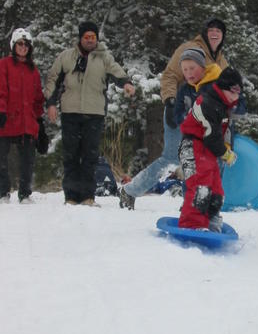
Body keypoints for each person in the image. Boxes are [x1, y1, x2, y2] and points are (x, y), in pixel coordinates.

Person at [119, 17, 229, 210]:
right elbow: (170, 74)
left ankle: (191, 204)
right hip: (180, 110)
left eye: (219, 31)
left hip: (203, 118)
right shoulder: (189, 49)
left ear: (223, 36)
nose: (214, 33)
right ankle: (130, 191)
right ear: (205, 32)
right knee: (171, 158)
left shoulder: (221, 60)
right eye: (211, 29)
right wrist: (169, 101)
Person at [45, 21, 135, 206]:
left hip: (94, 113)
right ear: (80, 38)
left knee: (90, 156)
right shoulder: (66, 57)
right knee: (70, 155)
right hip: (70, 112)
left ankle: (87, 196)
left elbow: (117, 71)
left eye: (93, 37)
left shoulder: (104, 57)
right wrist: (51, 103)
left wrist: (126, 83)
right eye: (86, 37)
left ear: (97, 38)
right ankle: (70, 196)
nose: (90, 40)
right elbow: (53, 80)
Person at [178, 67, 243, 231]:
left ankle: (210, 220)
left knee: (216, 189)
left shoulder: (222, 105)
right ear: (222, 88)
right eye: (233, 92)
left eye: (238, 93)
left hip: (207, 150)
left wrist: (225, 147)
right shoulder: (208, 103)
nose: (236, 97)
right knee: (201, 186)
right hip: (193, 146)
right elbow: (212, 136)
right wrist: (225, 153)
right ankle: (192, 224)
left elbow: (220, 134)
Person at [0, 28, 45, 203]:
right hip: (6, 119)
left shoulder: (33, 70)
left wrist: (39, 121)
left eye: (26, 44)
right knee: (1, 158)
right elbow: (1, 90)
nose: (23, 47)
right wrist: (1, 110)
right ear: (13, 45)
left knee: (28, 160)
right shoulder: (4, 65)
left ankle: (25, 193)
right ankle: (3, 191)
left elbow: (37, 98)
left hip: (27, 122)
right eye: (20, 43)